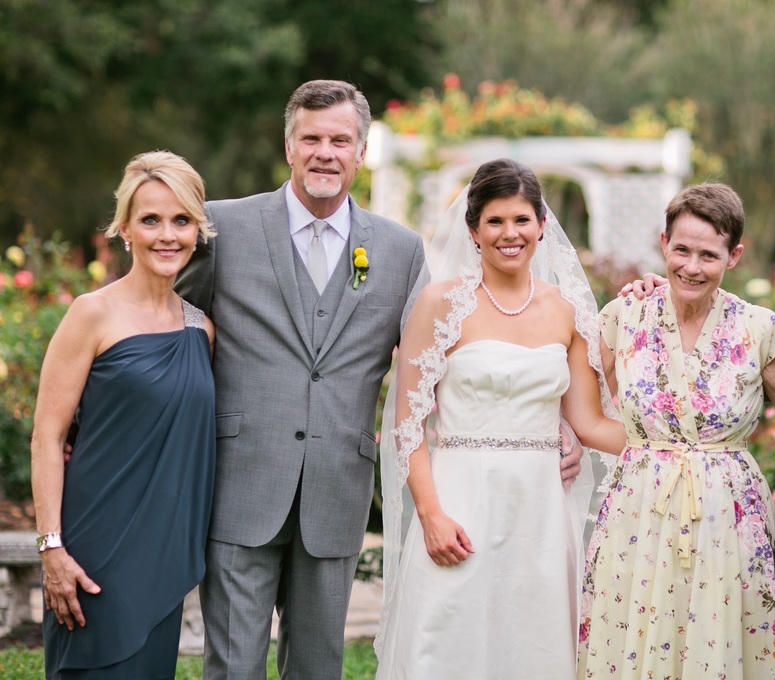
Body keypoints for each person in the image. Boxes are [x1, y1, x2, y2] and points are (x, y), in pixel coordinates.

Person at [174, 81, 585, 678]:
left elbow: (452, 363)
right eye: (311, 139)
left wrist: (557, 421)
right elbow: (167, 327)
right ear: (289, 146)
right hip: (243, 481)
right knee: (234, 666)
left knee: (319, 667)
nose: (325, 153)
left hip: (337, 488)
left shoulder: (399, 251)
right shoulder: (223, 228)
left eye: (340, 140)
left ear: (361, 152)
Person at [373, 158, 626, 679]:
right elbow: (407, 425)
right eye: (495, 221)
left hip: (540, 508)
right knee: (450, 637)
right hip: (460, 500)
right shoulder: (440, 304)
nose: (510, 233)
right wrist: (431, 515)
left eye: (521, 219)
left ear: (541, 225)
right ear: (473, 230)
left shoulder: (567, 310)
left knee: (532, 642)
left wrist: (673, 445)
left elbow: (589, 422)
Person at [579, 182, 775, 679]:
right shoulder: (623, 317)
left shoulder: (759, 329)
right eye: (681, 250)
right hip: (638, 512)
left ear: (734, 256)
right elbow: (584, 412)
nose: (692, 267)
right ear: (663, 243)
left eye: (708, 255)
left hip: (728, 517)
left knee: (717, 641)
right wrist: (644, 454)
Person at [31, 150, 216, 679]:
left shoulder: (201, 330)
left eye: (181, 220)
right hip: (94, 544)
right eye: (150, 220)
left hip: (163, 548)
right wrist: (51, 548)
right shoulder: (91, 314)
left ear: (197, 230)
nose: (167, 235)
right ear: (125, 229)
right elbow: (47, 437)